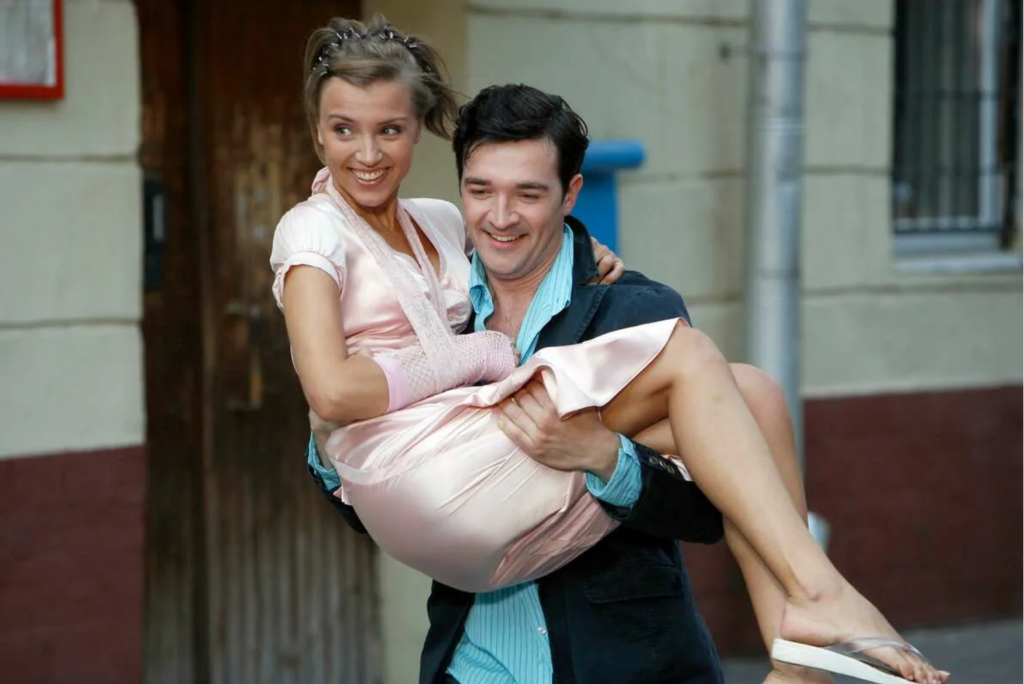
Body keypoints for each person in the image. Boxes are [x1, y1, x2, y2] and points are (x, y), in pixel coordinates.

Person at [272, 15, 946, 684]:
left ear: (569, 195)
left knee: (758, 394)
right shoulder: (430, 279)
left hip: (612, 663)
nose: (500, 216)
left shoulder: (628, 306)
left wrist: (605, 455)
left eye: (529, 194)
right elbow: (368, 450)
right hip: (477, 637)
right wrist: (335, 445)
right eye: (481, 191)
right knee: (692, 358)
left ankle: (798, 658)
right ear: (463, 189)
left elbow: (706, 511)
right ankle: (821, 595)